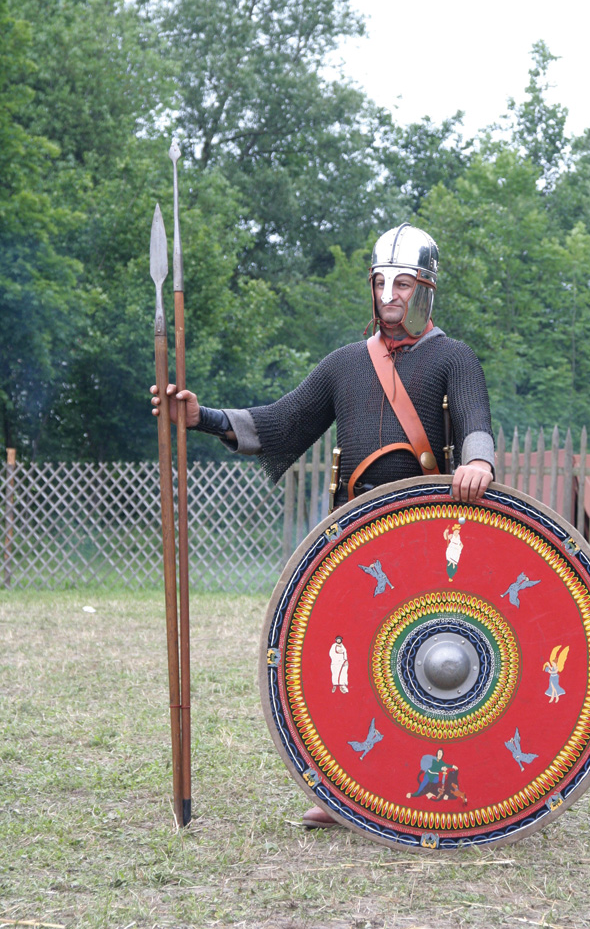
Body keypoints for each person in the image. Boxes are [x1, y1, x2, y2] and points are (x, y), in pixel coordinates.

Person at [151, 222, 495, 826]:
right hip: (355, 537)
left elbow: (474, 423)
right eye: (382, 283)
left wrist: (478, 462)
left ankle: (434, 788)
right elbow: (278, 423)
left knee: (431, 664)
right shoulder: (345, 365)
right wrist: (199, 415)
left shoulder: (453, 357)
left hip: (428, 536)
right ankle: (346, 793)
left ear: (426, 290)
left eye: (404, 283)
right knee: (349, 662)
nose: (391, 295)